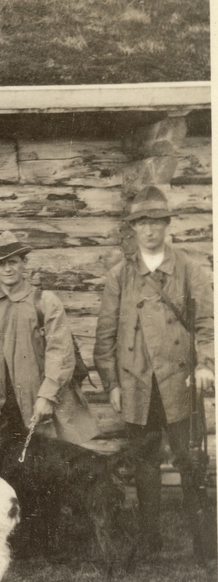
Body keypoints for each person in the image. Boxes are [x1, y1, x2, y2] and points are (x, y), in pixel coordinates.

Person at [94, 186, 216, 562]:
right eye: (142, 223)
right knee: (146, 464)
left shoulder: (189, 269)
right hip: (138, 385)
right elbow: (106, 334)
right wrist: (112, 383)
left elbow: (206, 324)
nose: (149, 230)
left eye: (156, 222)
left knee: (190, 459)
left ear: (167, 224)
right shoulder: (120, 276)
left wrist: (204, 363)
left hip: (179, 385)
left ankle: (205, 545)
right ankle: (150, 540)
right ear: (133, 229)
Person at [0, 231, 98, 443]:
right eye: (0, 264)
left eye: (13, 261)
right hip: (5, 407)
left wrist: (47, 397)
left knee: (53, 465)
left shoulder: (45, 302)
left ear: (24, 263)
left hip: (45, 404)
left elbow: (61, 354)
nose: (8, 268)